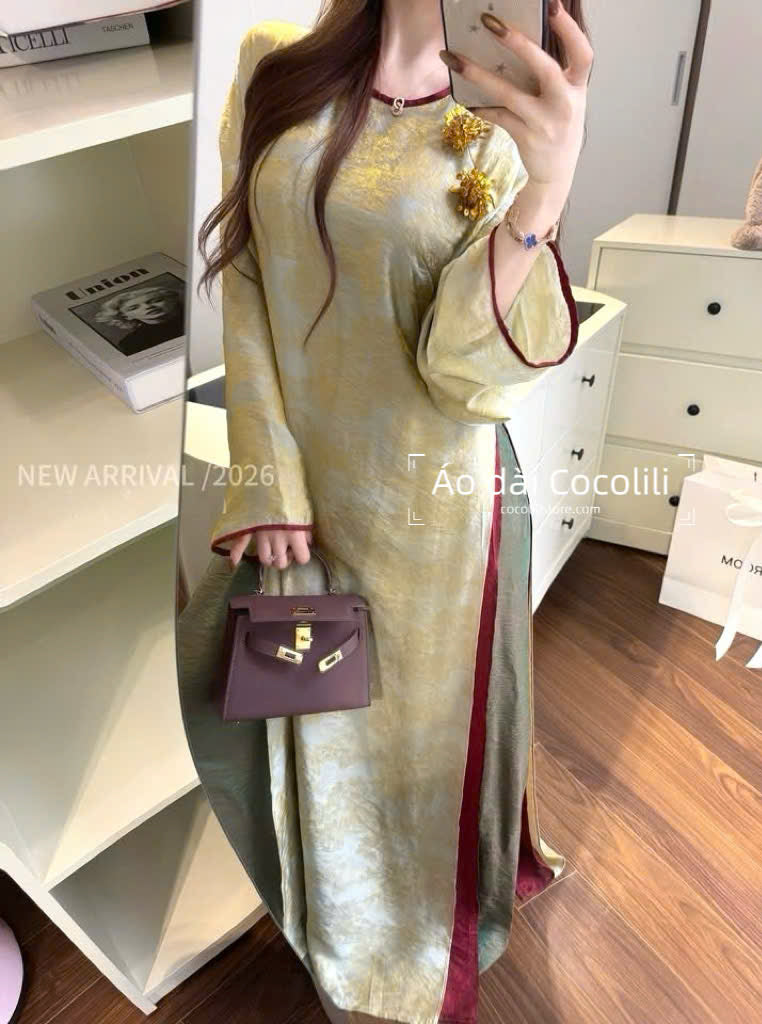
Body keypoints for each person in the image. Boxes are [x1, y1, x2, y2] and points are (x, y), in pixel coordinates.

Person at [177, 2, 592, 1022]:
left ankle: (408, 945)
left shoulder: (506, 119)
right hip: (307, 499)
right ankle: (337, 917)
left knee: (415, 748)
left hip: (438, 523)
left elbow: (464, 372)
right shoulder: (275, 65)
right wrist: (267, 470)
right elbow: (247, 279)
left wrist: (545, 190)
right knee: (310, 718)